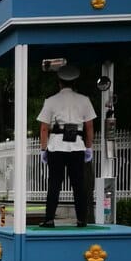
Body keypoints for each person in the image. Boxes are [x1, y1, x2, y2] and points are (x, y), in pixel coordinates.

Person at [37, 64, 96, 227]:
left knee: (54, 183)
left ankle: (49, 218)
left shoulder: (50, 101)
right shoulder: (84, 100)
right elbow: (89, 126)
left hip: (56, 146)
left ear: (59, 82)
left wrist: (43, 149)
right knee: (78, 184)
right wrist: (89, 147)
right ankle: (81, 219)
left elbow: (44, 127)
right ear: (75, 83)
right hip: (77, 146)